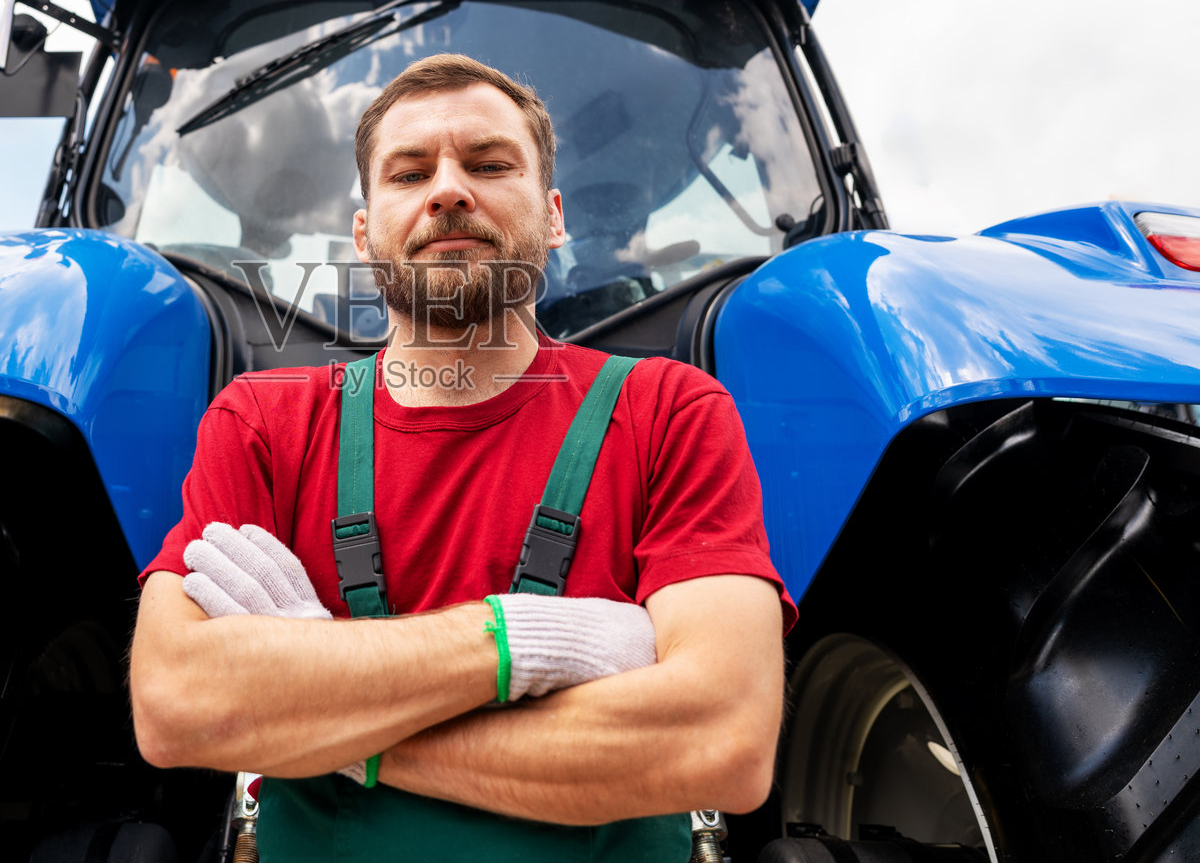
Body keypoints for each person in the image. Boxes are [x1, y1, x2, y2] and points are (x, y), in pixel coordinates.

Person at [129, 53, 794, 861]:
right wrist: (536, 639)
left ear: (553, 217)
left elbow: (722, 741)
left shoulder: (672, 413)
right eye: (409, 173)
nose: (449, 189)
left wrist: (323, 714)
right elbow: (175, 705)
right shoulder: (263, 423)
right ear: (365, 232)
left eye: (488, 163)